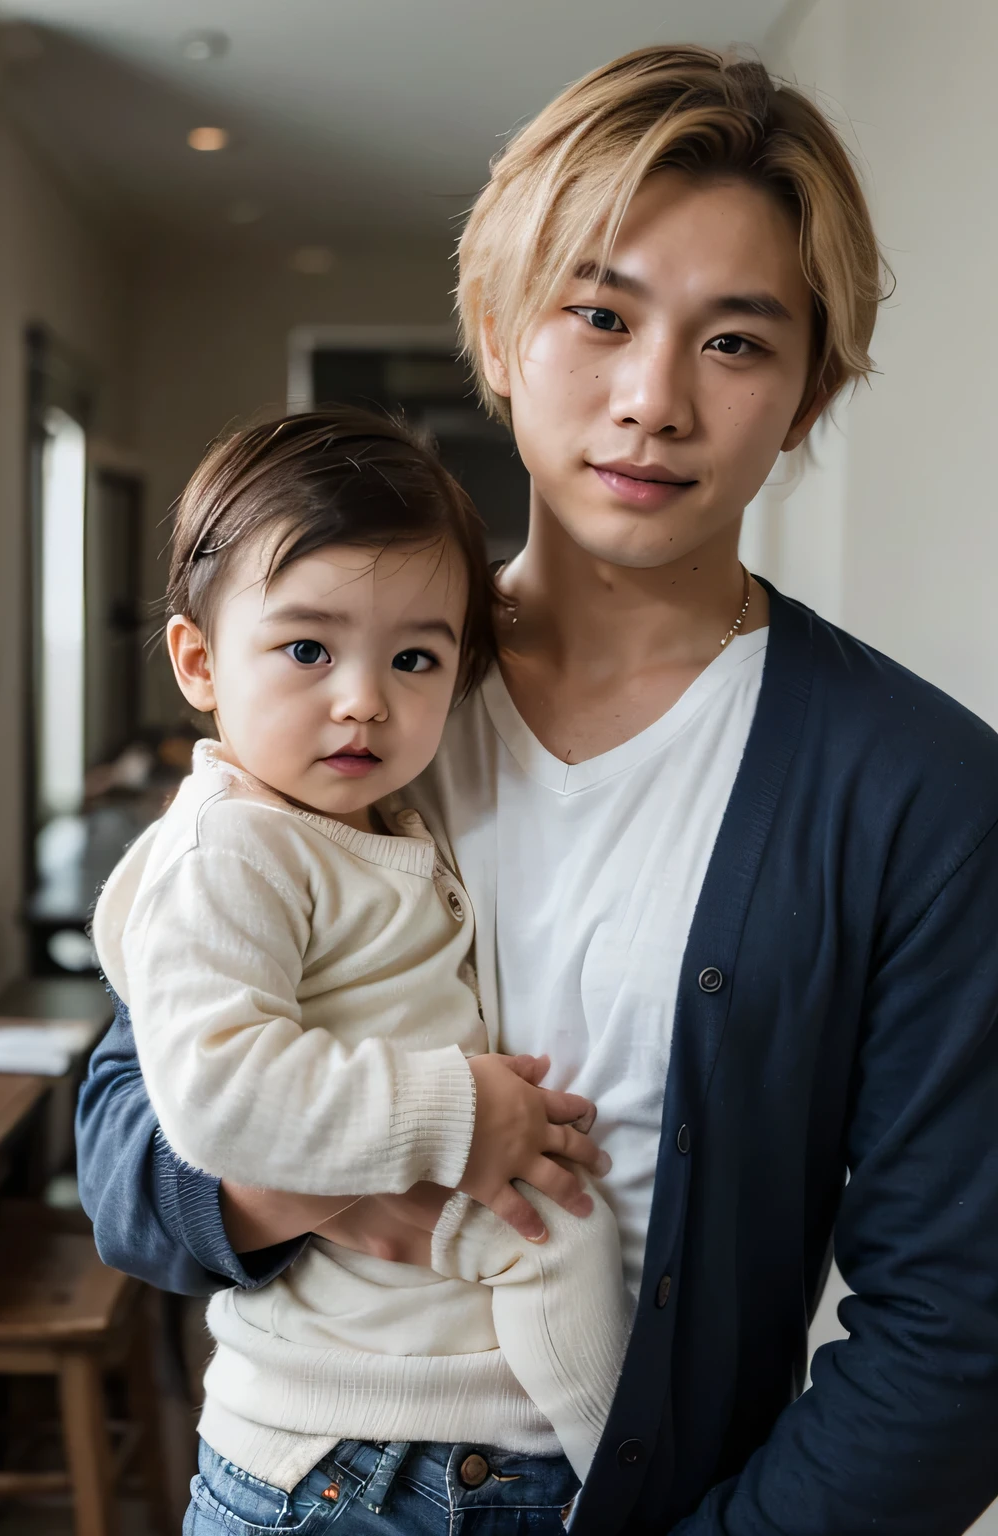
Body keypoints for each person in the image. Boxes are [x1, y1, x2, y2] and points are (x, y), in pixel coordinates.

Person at [77, 44, 998, 1536]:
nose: (653, 401)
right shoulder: (348, 712)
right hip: (304, 1481)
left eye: (737, 343)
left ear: (808, 393)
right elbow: (129, 1152)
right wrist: (335, 1174)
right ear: (499, 336)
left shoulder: (918, 793)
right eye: (599, 314)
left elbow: (958, 1335)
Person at [90, 405, 628, 1489]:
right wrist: (458, 1115)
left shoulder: (377, 821)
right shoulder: (234, 849)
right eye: (304, 648)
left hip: (419, 1415)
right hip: (337, 1451)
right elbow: (210, 1098)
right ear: (197, 662)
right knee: (562, 1243)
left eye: (416, 658)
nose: (363, 702)